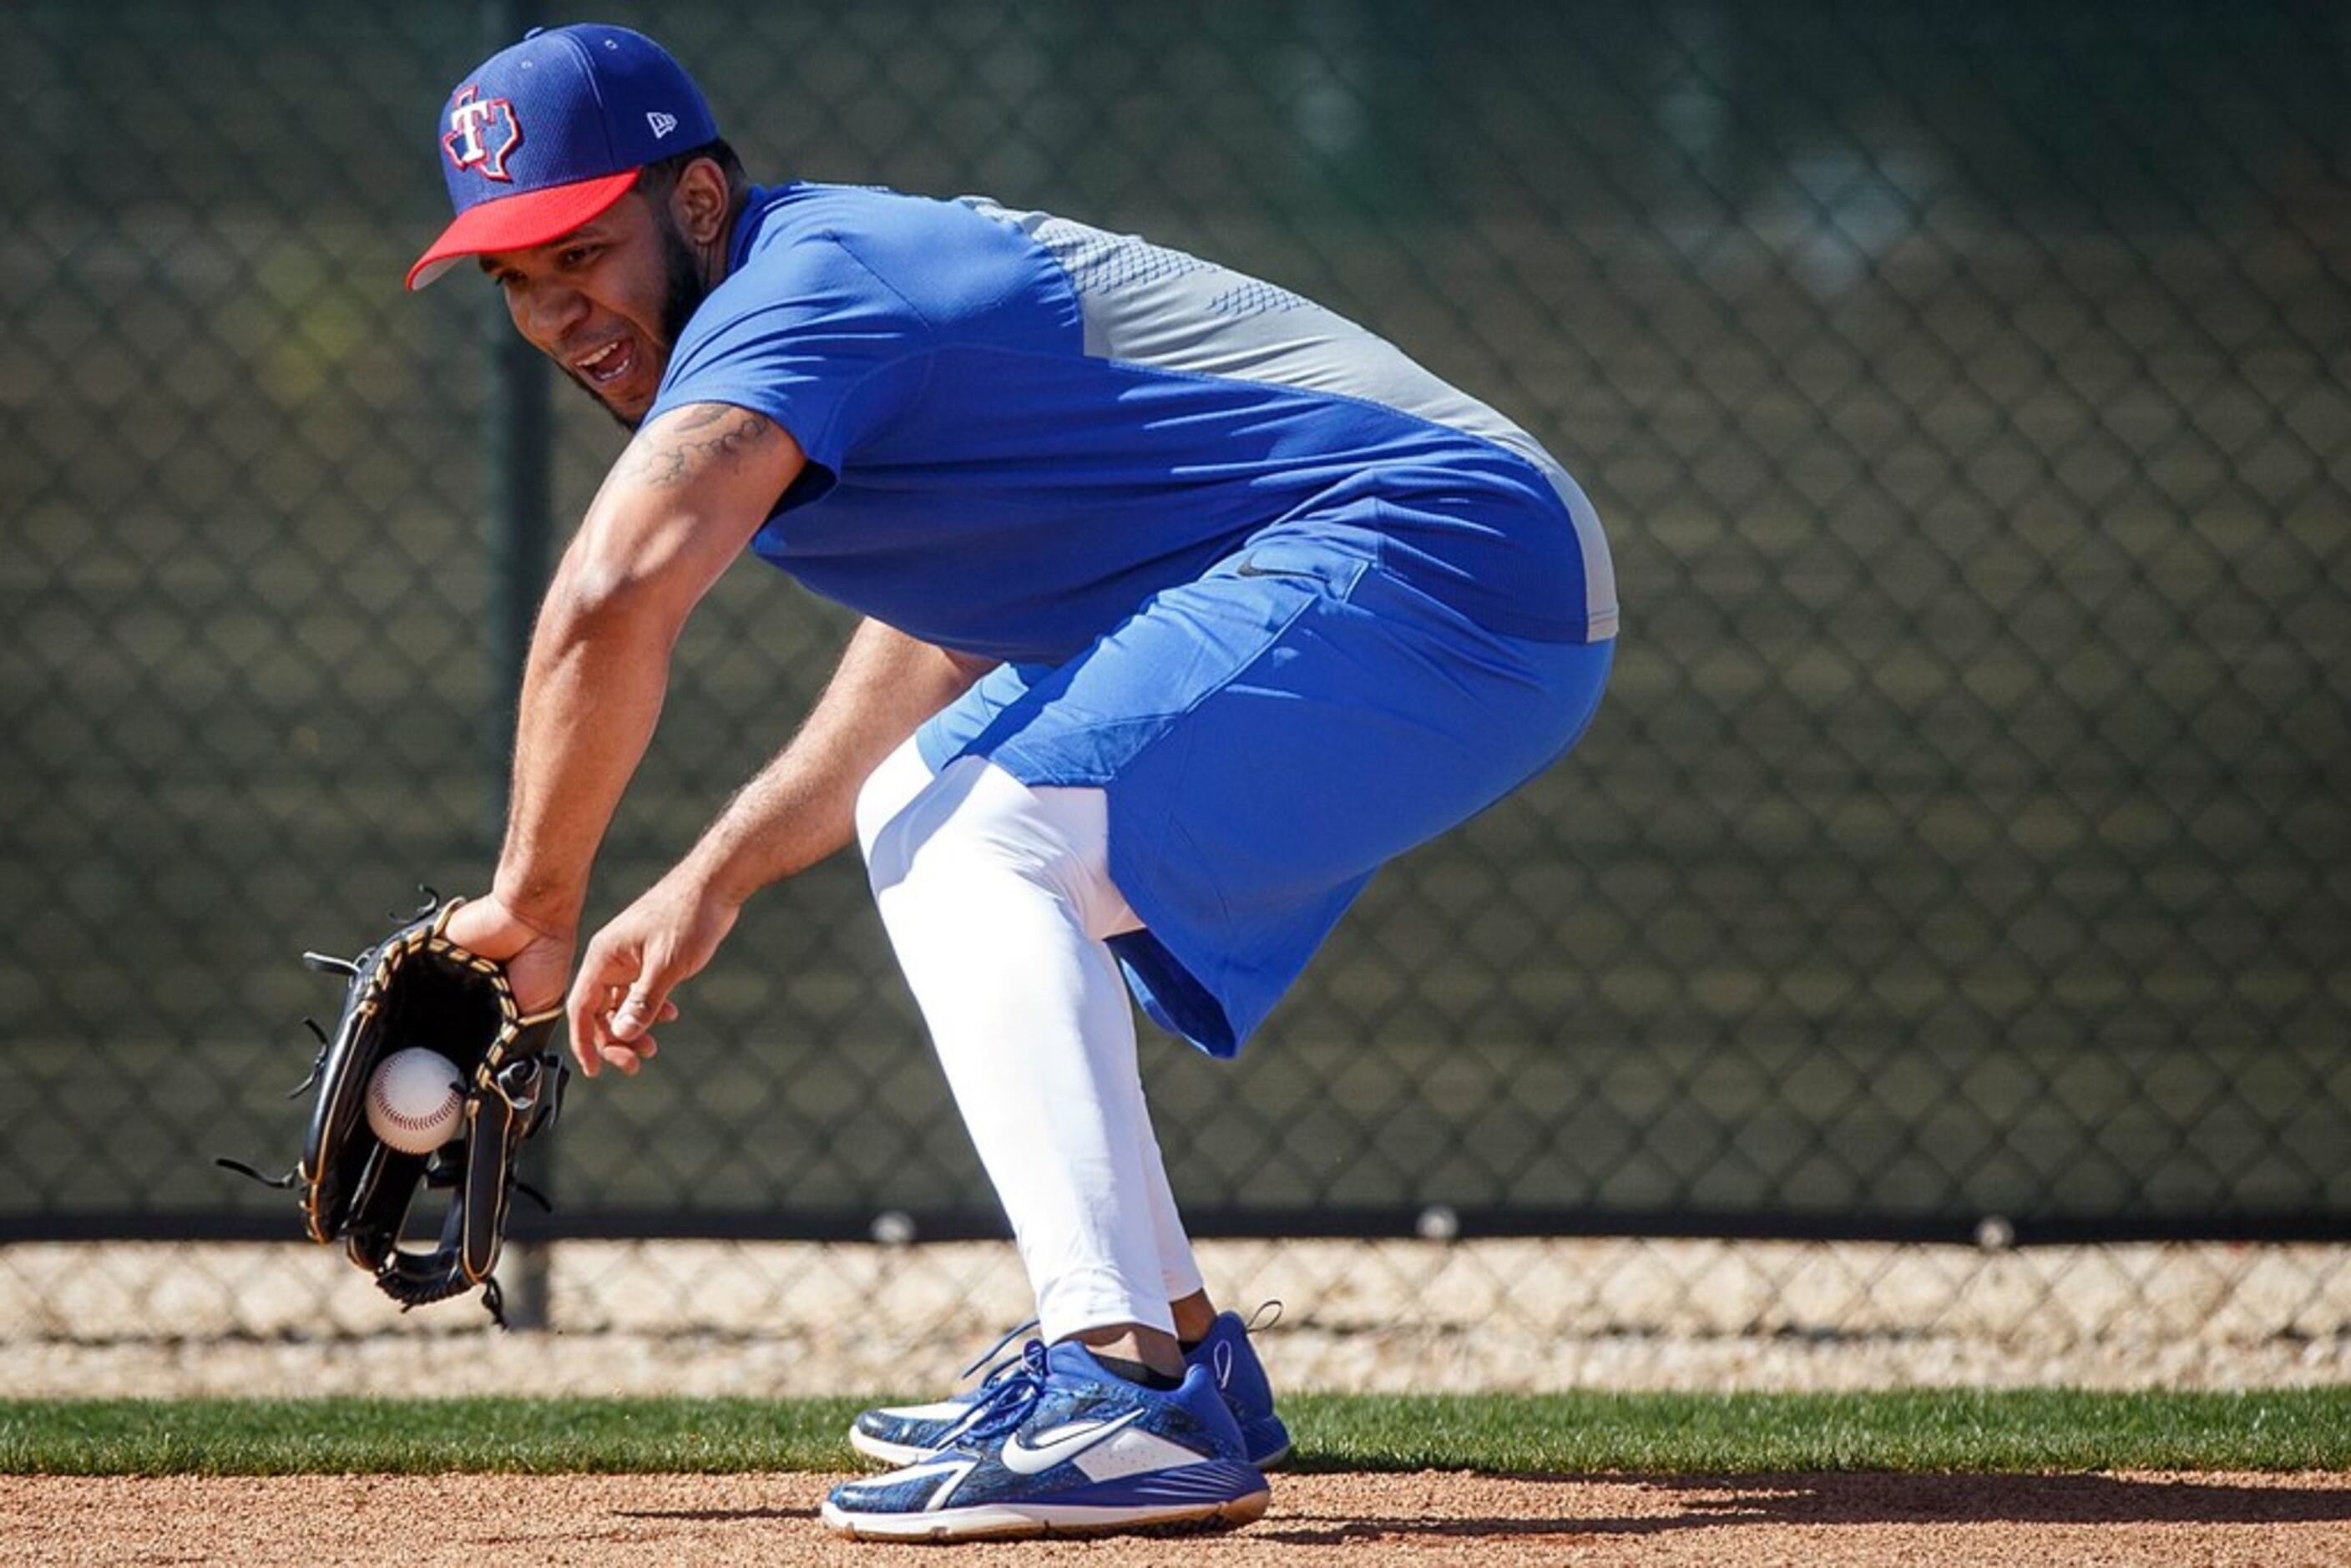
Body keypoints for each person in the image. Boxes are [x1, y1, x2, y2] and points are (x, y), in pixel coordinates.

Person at [415, 23, 1615, 1543]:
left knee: (997, 836)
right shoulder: (803, 314)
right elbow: (940, 627)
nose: (553, 309)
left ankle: (1117, 1388)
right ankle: (1172, 1349)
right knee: (932, 802)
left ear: (699, 202)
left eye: (580, 248)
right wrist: (711, 875)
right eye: (513, 277)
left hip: (1449, 545)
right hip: (1427, 561)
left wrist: (533, 898)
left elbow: (610, 594)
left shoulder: (804, 287)